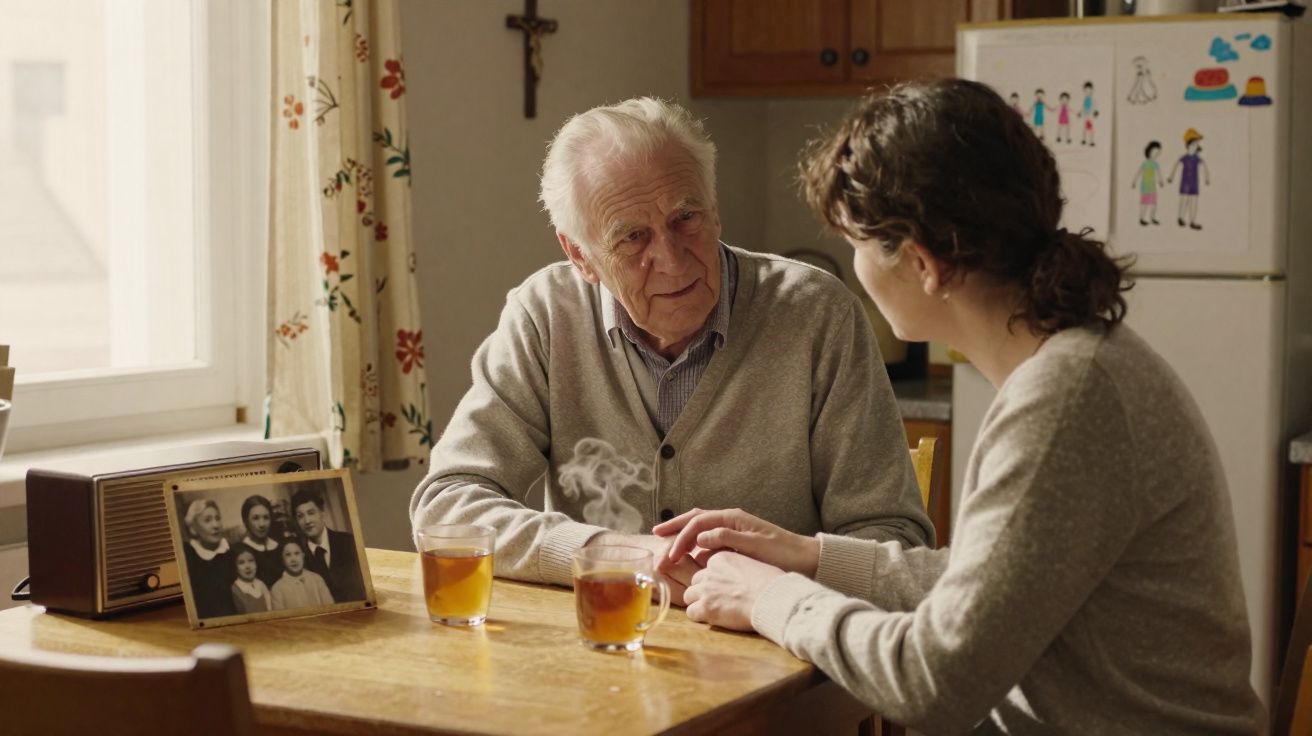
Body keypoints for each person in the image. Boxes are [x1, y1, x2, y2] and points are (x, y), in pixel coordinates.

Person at [658, 79, 1264, 733]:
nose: (854, 266)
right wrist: (810, 555)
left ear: (921, 264)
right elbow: (998, 581)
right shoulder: (1073, 366)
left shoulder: (1063, 403)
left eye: (858, 244)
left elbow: (932, 684)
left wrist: (769, 596)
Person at [409, 96, 933, 604]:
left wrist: (775, 587)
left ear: (715, 210)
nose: (673, 260)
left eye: (686, 219)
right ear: (579, 255)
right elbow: (447, 506)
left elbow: (895, 544)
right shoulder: (546, 315)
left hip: (779, 659)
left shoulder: (816, 314)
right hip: (598, 655)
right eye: (632, 237)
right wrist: (615, 555)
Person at [292, 484, 365, 603]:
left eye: (311, 513)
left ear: (322, 512)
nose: (307, 521)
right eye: (300, 516)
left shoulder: (349, 542)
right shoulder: (298, 557)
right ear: (296, 521)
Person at [180, 499, 237, 619]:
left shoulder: (233, 553)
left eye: (218, 518)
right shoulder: (186, 557)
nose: (216, 525)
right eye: (207, 520)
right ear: (193, 528)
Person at [270, 540, 334, 610]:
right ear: (282, 559)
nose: (293, 559)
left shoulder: (317, 579)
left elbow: (331, 609)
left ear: (303, 555)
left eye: (297, 553)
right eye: (288, 555)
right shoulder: (277, 589)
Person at [1168, 127, 1209, 231]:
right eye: (1194, 144)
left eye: (1197, 144)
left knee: (1194, 201)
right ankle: (1181, 217)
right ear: (1188, 145)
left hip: (1194, 183)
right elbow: (1176, 165)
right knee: (1184, 199)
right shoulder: (1184, 158)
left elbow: (1204, 166)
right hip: (1185, 183)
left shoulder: (1197, 158)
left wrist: (1206, 178)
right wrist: (1171, 177)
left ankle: (1192, 222)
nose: (1196, 146)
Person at [238, 494, 284, 588]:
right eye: (255, 518)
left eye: (266, 518)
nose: (262, 524)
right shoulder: (239, 552)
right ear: (246, 521)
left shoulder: (280, 547)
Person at [230, 548, 272, 614]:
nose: (247, 566)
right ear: (235, 568)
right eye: (241, 563)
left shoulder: (261, 584)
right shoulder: (235, 590)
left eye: (251, 561)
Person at [1131, 140, 1163, 226]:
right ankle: (1142, 218)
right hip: (1145, 187)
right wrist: (1134, 181)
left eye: (1157, 154)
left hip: (1152, 187)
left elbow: (1158, 173)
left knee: (1153, 203)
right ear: (1149, 151)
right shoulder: (1145, 163)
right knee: (1144, 203)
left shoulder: (1155, 164)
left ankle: (1152, 218)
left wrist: (1160, 181)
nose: (1156, 155)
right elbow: (1139, 172)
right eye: (1155, 153)